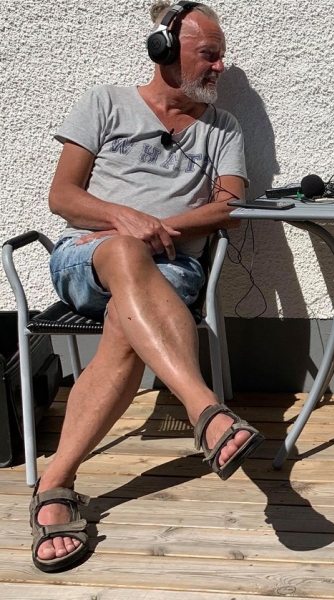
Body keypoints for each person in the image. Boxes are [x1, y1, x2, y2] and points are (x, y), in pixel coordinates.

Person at [29, 1, 264, 573]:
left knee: (124, 321)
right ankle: (205, 408)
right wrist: (123, 221)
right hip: (88, 258)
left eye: (221, 56)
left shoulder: (222, 129)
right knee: (122, 250)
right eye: (208, 55)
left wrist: (157, 228)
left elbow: (230, 207)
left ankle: (53, 484)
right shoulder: (104, 103)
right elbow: (63, 196)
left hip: (171, 268)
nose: (219, 66)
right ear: (164, 51)